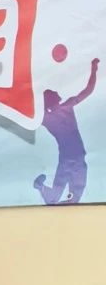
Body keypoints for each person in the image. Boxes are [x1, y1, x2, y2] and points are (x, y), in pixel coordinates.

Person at [34, 57, 98, 205]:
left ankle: (41, 188)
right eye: (55, 93)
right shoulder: (65, 107)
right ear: (54, 99)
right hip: (76, 157)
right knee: (74, 194)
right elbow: (88, 90)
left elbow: (28, 117)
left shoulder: (45, 118)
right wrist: (94, 69)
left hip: (67, 158)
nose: (58, 93)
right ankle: (42, 188)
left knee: (61, 195)